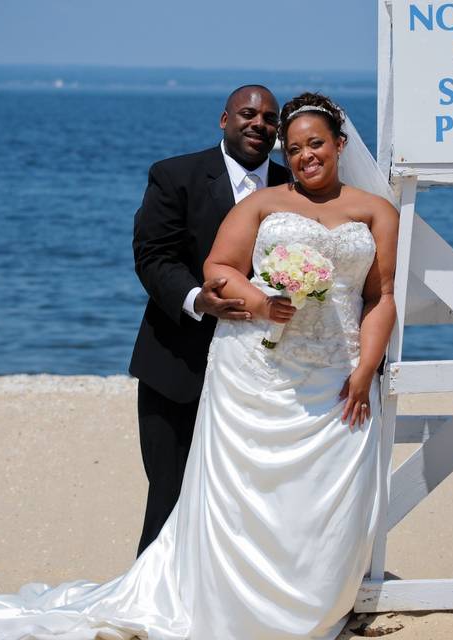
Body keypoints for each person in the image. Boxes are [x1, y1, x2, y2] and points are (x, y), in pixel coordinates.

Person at [0, 92, 399, 639]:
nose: (302, 154)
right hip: (235, 363)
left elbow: (380, 295)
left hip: (333, 374)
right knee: (205, 492)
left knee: (317, 497)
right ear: (230, 122)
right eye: (293, 147)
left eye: (312, 143)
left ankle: (313, 600)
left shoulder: (373, 210)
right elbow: (191, 262)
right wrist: (257, 302)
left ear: (339, 144)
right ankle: (215, 600)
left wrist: (366, 368)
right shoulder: (242, 195)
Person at [128, 84, 291, 554]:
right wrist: (199, 300)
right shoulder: (175, 175)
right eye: (248, 113)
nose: (259, 123)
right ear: (224, 120)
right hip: (178, 364)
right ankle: (151, 602)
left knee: (248, 495)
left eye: (269, 119)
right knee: (170, 493)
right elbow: (152, 256)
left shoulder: (292, 188)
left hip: (262, 376)